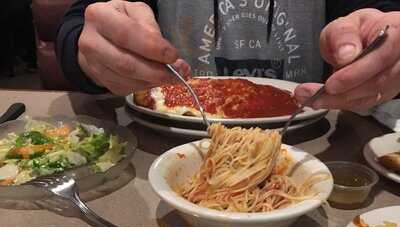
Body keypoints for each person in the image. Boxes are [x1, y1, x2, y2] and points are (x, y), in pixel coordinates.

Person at [56, 1, 400, 110]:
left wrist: (386, 49)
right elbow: (78, 23)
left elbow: (384, 16)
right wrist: (90, 55)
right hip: (157, 144)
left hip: (313, 136)